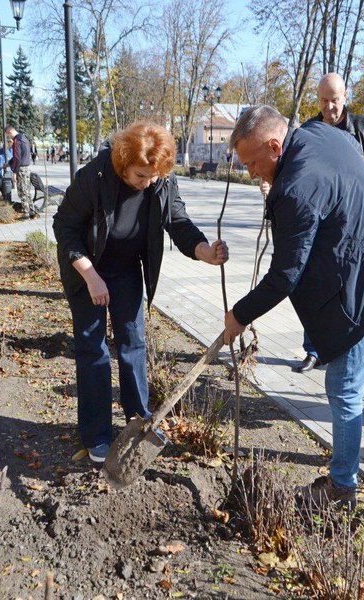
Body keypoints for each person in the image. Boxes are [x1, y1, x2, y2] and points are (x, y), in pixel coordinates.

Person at [224, 106, 364, 508]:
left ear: (275, 147)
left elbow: (285, 274)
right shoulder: (317, 134)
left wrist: (240, 315)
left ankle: (342, 486)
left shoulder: (295, 188)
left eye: (253, 163)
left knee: (343, 386)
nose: (252, 173)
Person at [53, 121, 229, 464]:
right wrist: (90, 276)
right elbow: (65, 226)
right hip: (87, 268)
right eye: (139, 177)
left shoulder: (160, 178)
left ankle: (139, 422)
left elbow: (177, 220)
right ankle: (96, 435)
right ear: (123, 163)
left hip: (127, 268)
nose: (147, 183)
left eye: (153, 177)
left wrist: (204, 251)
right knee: (94, 349)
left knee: (133, 343)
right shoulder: (96, 176)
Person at [291, 72, 364, 374]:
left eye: (335, 101)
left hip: (355, 222)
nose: (329, 107)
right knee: (313, 285)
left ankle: (347, 346)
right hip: (320, 222)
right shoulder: (309, 131)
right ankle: (313, 349)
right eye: (324, 101)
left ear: (346, 98)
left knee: (350, 286)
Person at [5, 125, 35, 218]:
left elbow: (17, 157)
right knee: (27, 190)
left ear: (10, 132)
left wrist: (14, 172)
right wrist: (9, 163)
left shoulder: (16, 140)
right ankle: (32, 211)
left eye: (7, 135)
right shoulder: (24, 138)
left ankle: (26, 214)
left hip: (21, 169)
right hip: (26, 167)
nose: (8, 137)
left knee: (22, 191)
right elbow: (19, 155)